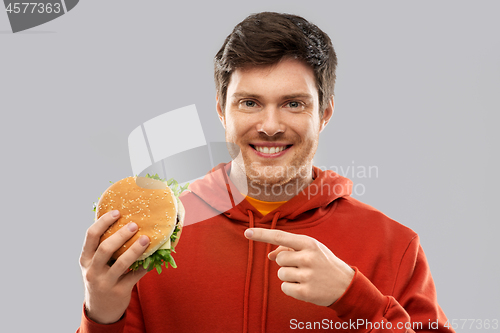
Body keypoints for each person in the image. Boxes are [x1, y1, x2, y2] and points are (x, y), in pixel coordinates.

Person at [78, 12, 454, 333]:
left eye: (293, 103)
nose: (270, 125)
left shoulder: (394, 245)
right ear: (222, 111)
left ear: (324, 113)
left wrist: (355, 299)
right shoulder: (151, 241)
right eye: (250, 102)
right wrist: (101, 315)